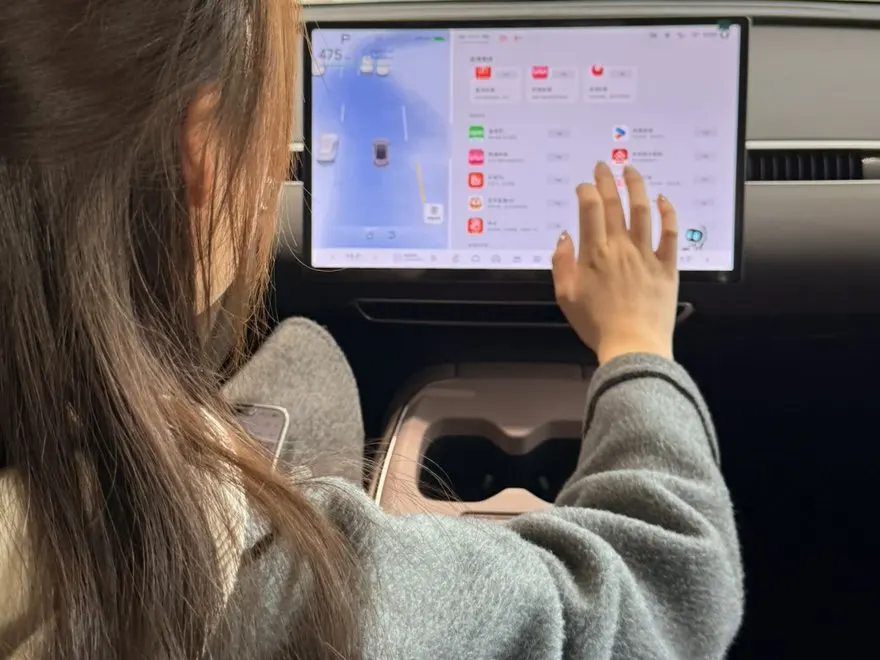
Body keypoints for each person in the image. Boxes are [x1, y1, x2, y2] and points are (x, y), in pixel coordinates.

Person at [0, 0, 743, 658]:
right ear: (198, 151)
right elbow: (668, 588)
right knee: (311, 359)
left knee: (305, 351)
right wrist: (637, 340)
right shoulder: (263, 588)